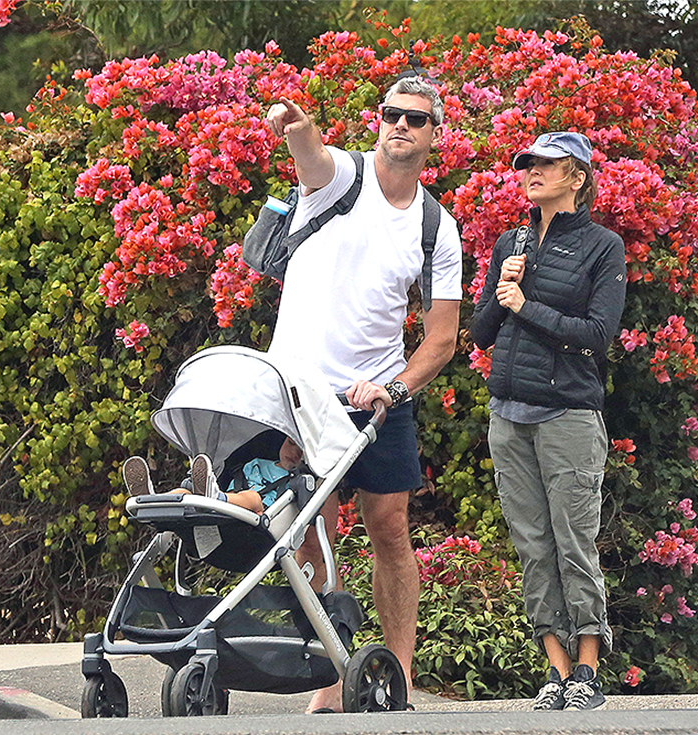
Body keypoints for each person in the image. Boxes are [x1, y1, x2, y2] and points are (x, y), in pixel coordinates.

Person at [263, 75, 463, 712]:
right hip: (301, 390)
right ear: (378, 120)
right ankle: (331, 679)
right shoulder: (341, 178)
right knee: (313, 533)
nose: (400, 125)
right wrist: (297, 131)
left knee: (390, 526)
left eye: (415, 118)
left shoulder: (437, 226)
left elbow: (441, 339)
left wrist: (393, 388)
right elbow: (311, 158)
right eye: (391, 114)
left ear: (436, 136)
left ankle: (395, 681)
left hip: (377, 393)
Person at [470, 132, 626, 711]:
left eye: (545, 165)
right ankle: (555, 671)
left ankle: (587, 670)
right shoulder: (510, 241)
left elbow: (596, 335)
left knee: (572, 541)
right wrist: (501, 288)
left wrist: (524, 304)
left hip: (568, 416)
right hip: (508, 416)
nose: (531, 172)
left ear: (577, 177)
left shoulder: (602, 247)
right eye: (527, 164)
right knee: (532, 546)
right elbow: (483, 334)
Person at [121, 436, 304, 514]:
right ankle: (150, 500)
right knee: (184, 493)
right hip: (229, 499)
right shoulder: (256, 462)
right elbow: (238, 477)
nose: (294, 452)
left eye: (301, 452)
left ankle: (215, 496)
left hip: (261, 512)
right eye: (290, 443)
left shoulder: (297, 480)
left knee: (253, 497)